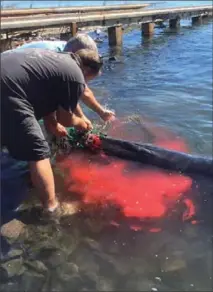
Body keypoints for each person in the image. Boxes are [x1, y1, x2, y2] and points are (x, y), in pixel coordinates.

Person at [1, 48, 103, 212]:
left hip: (7, 79)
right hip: (7, 90)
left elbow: (47, 97)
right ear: (87, 71)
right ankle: (52, 208)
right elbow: (66, 119)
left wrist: (53, 124)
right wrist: (82, 123)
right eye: (89, 80)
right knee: (38, 152)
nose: (86, 84)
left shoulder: (58, 59)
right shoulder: (76, 76)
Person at [2, 33, 115, 133]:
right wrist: (76, 121)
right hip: (11, 77)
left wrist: (99, 112)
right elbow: (72, 90)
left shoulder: (68, 53)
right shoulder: (57, 57)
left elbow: (74, 90)